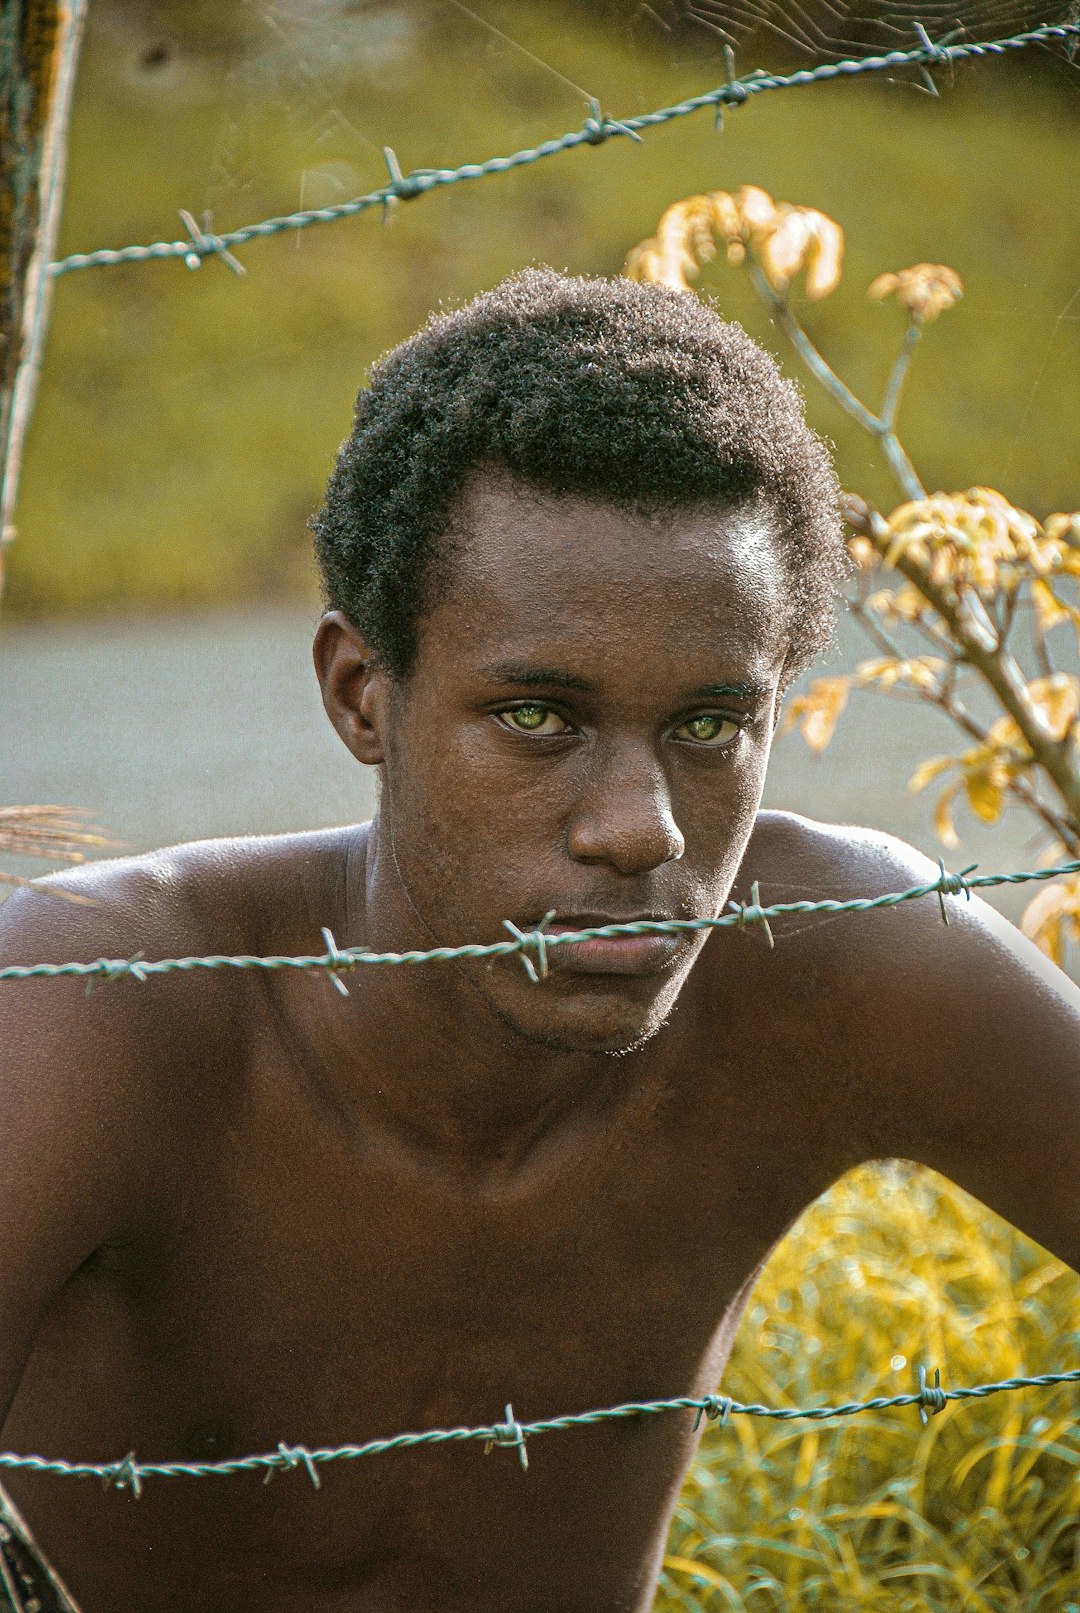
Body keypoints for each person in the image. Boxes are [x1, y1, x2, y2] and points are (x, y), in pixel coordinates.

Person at [0, 267, 1077, 1613]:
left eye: (705, 727)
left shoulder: (841, 958)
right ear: (362, 694)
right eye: (538, 717)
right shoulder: (100, 1005)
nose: (642, 832)